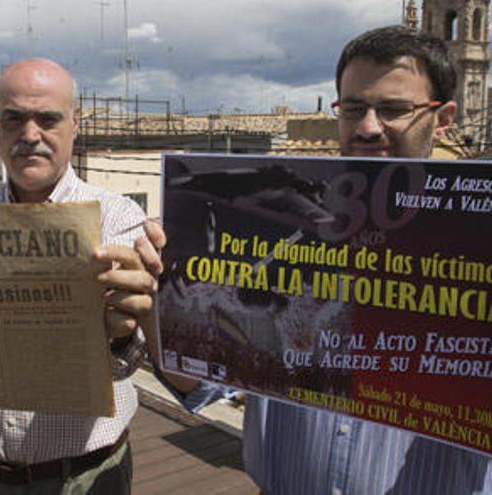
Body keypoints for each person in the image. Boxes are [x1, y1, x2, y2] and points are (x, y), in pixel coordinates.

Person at [154, 25, 492, 494]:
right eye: (353, 108)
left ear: (445, 118)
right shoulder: (279, 244)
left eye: (394, 109)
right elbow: (204, 387)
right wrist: (161, 302)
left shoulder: (477, 257)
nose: (368, 126)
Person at [0, 57, 160, 494]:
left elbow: (127, 364)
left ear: (75, 123)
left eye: (47, 119)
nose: (29, 135)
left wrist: (119, 333)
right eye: (14, 119)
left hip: (82, 478)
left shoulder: (119, 219)